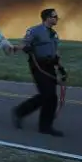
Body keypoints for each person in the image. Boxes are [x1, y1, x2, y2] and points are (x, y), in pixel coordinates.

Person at [11, 8, 68, 137]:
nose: (56, 18)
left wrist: (61, 69)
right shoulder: (34, 30)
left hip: (50, 67)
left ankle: (44, 126)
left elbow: (56, 52)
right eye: (54, 16)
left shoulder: (54, 34)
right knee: (47, 94)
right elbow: (23, 43)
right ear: (47, 18)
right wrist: (21, 48)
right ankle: (20, 112)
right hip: (38, 66)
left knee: (51, 97)